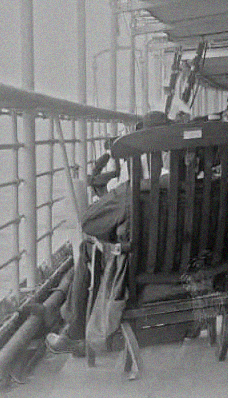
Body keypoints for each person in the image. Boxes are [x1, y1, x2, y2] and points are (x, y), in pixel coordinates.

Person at [45, 111, 169, 355]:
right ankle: (67, 318)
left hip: (141, 268)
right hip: (188, 266)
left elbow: (89, 223)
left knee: (89, 248)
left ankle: (76, 331)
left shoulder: (133, 191)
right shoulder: (201, 187)